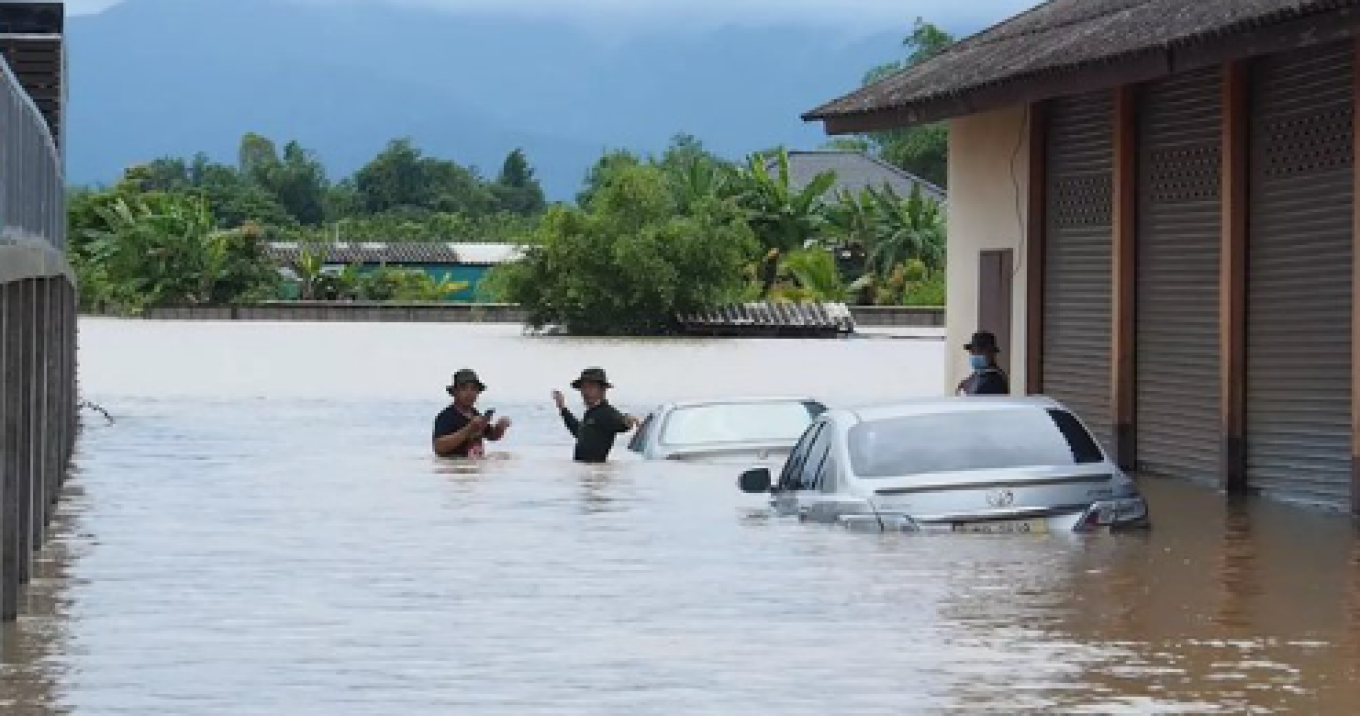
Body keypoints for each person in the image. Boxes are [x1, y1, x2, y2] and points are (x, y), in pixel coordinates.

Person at [553, 367, 639, 463]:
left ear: (602, 389)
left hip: (596, 473)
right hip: (586, 471)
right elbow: (578, 431)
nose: (585, 392)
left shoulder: (606, 412)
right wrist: (562, 408)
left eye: (591, 387)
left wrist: (628, 419)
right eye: (583, 387)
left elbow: (620, 424)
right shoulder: (591, 413)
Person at [433, 369, 511, 458]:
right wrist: (469, 429)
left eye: (474, 389)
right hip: (454, 467)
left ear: (478, 392)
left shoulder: (475, 414)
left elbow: (491, 436)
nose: (469, 393)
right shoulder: (446, 417)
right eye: (463, 388)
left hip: (473, 465)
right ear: (455, 392)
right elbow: (438, 447)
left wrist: (500, 427)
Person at [957, 330, 1010, 396]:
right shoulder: (979, 374)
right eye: (972, 351)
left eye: (979, 351)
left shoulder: (995, 380)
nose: (974, 355)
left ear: (991, 353)